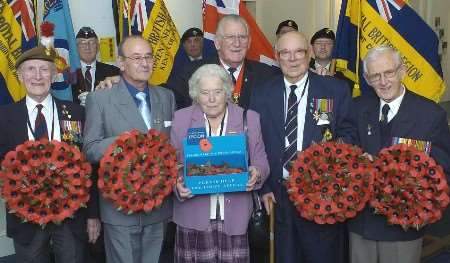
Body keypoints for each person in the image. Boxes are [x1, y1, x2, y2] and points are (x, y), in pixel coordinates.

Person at [249, 31, 355, 263]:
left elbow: (349, 135)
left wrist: (328, 169)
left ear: (309, 55)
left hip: (322, 196)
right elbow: (254, 143)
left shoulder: (335, 90)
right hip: (277, 198)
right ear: (277, 57)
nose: (293, 58)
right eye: (285, 53)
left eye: (299, 52)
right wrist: (264, 187)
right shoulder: (261, 93)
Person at [348, 46, 450, 263]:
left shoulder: (430, 114)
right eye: (375, 76)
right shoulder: (356, 108)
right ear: (366, 78)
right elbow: (345, 153)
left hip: (402, 227)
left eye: (389, 73)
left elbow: (443, 169)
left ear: (402, 70)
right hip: (362, 222)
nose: (383, 81)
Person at [0, 45, 100, 263]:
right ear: (19, 76)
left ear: (54, 75)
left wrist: (93, 214)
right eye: (30, 69)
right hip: (26, 218)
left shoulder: (76, 112)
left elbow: (89, 165)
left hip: (72, 215)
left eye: (44, 70)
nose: (37, 76)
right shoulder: (4, 116)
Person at [82, 35, 176, 263]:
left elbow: (174, 146)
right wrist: (127, 143)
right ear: (121, 63)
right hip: (119, 208)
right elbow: (90, 149)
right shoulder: (100, 99)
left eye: (148, 57)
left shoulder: (167, 96)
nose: (144, 63)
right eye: (136, 58)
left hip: (158, 206)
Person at [170, 64, 269, 262]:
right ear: (196, 95)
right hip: (193, 215)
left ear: (227, 91)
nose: (212, 99)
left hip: (235, 216)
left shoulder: (248, 118)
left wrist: (256, 173)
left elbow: (262, 161)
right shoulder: (181, 119)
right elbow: (171, 164)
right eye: (205, 93)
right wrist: (177, 184)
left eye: (217, 92)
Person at [166, 14, 278, 110]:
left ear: (249, 43)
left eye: (242, 37)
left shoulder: (266, 75)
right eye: (230, 37)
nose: (237, 43)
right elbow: (164, 100)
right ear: (217, 43)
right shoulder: (191, 72)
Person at [73, 26, 120, 105]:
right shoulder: (68, 74)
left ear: (98, 47)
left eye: (92, 42)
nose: (87, 47)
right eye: (82, 43)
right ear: (76, 48)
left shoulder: (113, 72)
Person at [309, 28, 355, 92]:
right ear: (312, 47)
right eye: (318, 43)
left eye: (328, 43)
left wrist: (334, 81)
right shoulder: (304, 70)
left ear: (335, 48)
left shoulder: (343, 71)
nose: (323, 47)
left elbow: (349, 91)